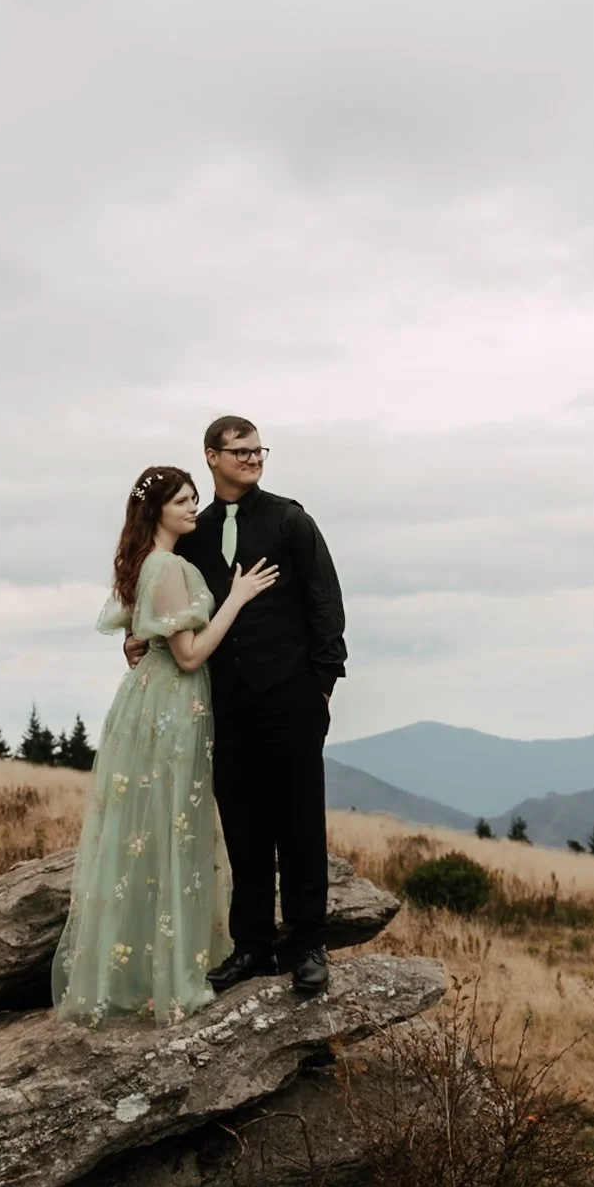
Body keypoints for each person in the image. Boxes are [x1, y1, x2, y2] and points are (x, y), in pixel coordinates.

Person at [54, 465, 279, 1025]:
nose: (192, 508)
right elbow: (189, 655)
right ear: (157, 509)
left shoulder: (142, 563)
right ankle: (173, 977)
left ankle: (137, 974)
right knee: (176, 830)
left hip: (145, 701)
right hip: (175, 704)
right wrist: (238, 596)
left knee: (143, 835)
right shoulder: (170, 565)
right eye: (182, 500)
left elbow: (141, 639)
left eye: (194, 498)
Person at [159, 415, 347, 996]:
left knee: (298, 821)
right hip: (224, 703)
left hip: (291, 696)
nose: (252, 458)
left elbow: (325, 602)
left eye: (258, 449)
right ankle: (252, 947)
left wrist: (320, 687)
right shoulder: (196, 532)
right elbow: (175, 603)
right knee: (242, 825)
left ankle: (308, 943)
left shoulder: (291, 519)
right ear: (211, 456)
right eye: (239, 450)